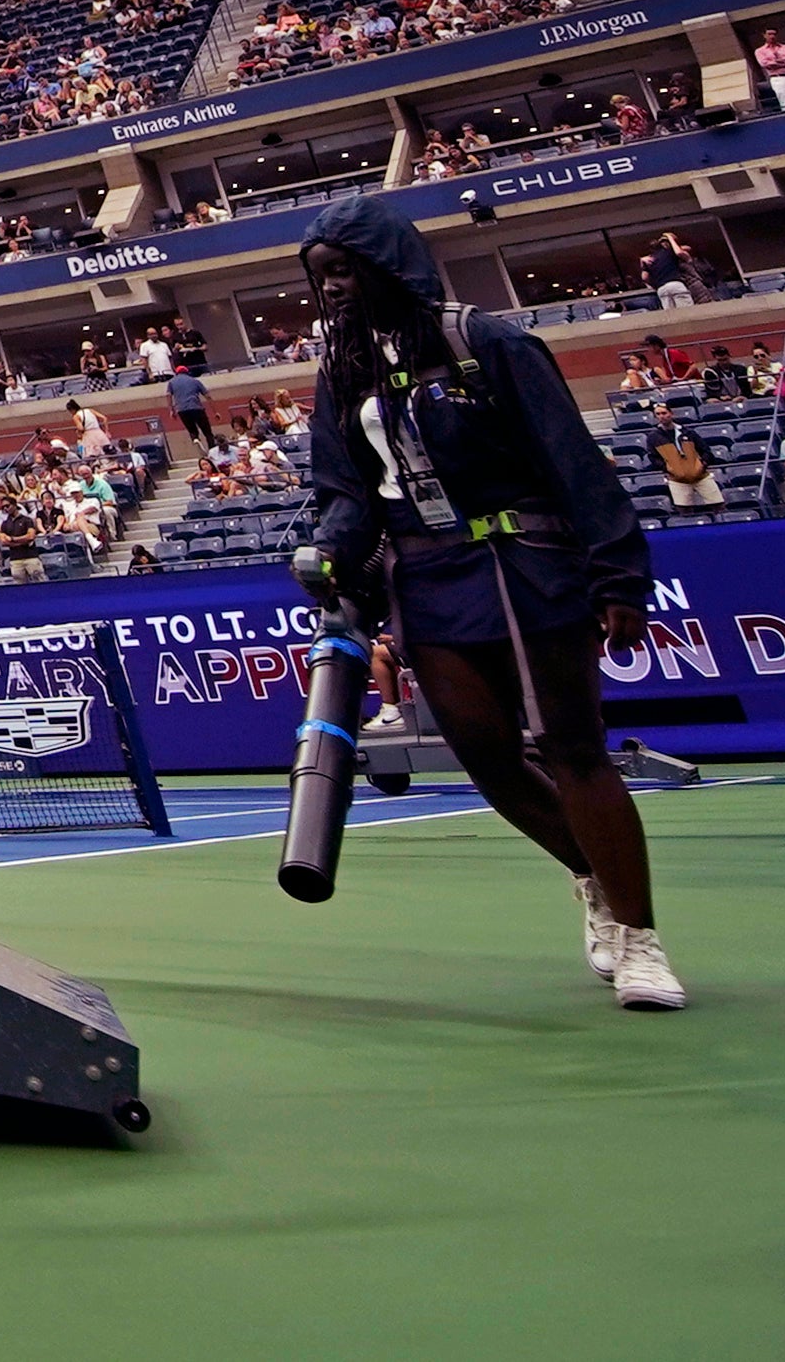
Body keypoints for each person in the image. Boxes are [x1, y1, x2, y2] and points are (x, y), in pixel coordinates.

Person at [295, 195, 678, 1012]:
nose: (330, 288)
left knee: (573, 750)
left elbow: (572, 460)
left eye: (343, 270)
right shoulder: (340, 373)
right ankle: (593, 878)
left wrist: (617, 575)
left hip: (526, 565)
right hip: (427, 579)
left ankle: (639, 939)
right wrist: (330, 547)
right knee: (486, 756)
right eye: (319, 276)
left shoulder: (486, 340)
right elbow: (345, 491)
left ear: (384, 263)